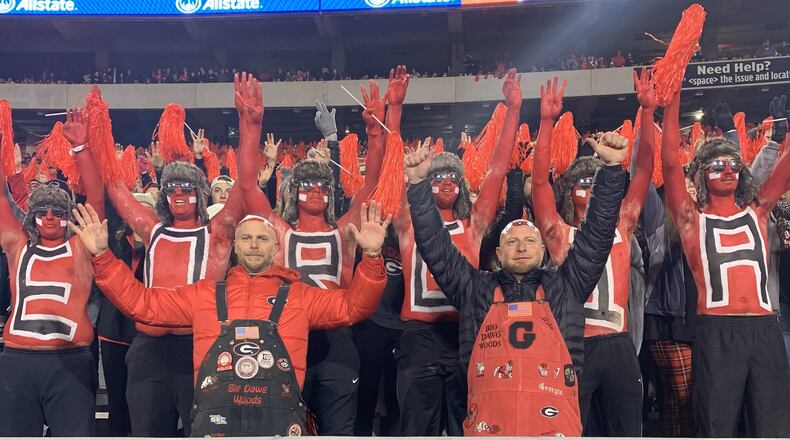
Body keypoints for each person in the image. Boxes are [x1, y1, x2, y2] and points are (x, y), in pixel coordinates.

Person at [402, 98, 630, 436]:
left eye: (529, 240)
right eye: (512, 240)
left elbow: (596, 235)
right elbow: (436, 248)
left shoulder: (567, 285)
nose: (521, 245)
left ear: (543, 251)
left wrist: (611, 172)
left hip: (554, 424)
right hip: (489, 422)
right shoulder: (475, 288)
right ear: (498, 252)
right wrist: (419, 187)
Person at [72, 201, 388, 437]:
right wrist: (102, 257)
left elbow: (353, 307)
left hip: (279, 423)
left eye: (262, 239)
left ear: (276, 248)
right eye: (246, 239)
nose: (254, 245)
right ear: (235, 246)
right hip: (215, 425)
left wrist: (372, 258)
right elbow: (142, 305)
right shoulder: (205, 294)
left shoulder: (299, 296)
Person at [78, 96, 246, 437]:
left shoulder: (217, 234)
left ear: (200, 193)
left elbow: (245, 187)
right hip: (148, 351)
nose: (179, 194)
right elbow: (114, 187)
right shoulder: (153, 229)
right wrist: (91, 139)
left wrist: (249, 125)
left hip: (200, 347)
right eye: (172, 188)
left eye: (187, 187)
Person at [235, 71, 384, 435]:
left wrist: (376, 131)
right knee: (285, 428)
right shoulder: (281, 233)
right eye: (306, 184)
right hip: (287, 335)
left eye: (321, 184)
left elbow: (373, 182)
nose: (315, 190)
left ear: (330, 192)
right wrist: (250, 125)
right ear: (292, 191)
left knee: (338, 430)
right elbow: (248, 185)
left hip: (337, 341)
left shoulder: (344, 230)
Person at [391, 67, 521, 437]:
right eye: (437, 177)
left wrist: (513, 111)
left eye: (452, 177)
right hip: (417, 335)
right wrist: (394, 109)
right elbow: (391, 166)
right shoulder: (407, 222)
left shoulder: (474, 225)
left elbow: (496, 170)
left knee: (471, 428)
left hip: (465, 332)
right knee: (416, 429)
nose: (446, 182)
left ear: (461, 184)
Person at [531, 70, 654, 435]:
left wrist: (646, 112)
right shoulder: (557, 234)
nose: (590, 188)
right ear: (569, 191)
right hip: (574, 345)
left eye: (596, 182)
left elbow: (644, 169)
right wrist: (546, 123)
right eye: (583, 182)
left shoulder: (624, 223)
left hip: (618, 344)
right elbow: (539, 183)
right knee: (571, 430)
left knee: (627, 430)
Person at [661, 89, 790, 437]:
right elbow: (670, 164)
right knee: (717, 426)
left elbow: (786, 166)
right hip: (717, 332)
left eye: (734, 164)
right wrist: (671, 99)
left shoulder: (758, 212)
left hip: (765, 330)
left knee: (772, 426)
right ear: (701, 175)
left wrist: (785, 128)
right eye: (718, 166)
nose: (728, 170)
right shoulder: (692, 220)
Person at [0, 109, 104, 436]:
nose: (48, 217)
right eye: (42, 210)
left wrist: (81, 149)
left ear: (69, 215)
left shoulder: (80, 249)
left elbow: (97, 199)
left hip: (71, 362)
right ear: (32, 216)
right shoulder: (17, 246)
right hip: (17, 362)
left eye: (58, 211)